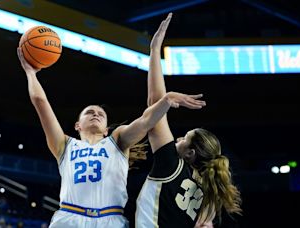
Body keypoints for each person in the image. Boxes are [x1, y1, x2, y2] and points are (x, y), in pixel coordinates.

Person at [17, 47, 205, 228]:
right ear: (77, 125)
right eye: (89, 112)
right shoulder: (64, 145)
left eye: (101, 114)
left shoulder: (117, 140)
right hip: (69, 217)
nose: (96, 114)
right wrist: (30, 73)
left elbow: (147, 121)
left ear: (106, 129)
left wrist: (166, 100)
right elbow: (41, 102)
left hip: (110, 219)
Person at [135, 13, 242, 228]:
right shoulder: (208, 194)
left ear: (190, 153)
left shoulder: (171, 166)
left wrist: (155, 51)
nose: (177, 138)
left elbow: (154, 106)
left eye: (184, 138)